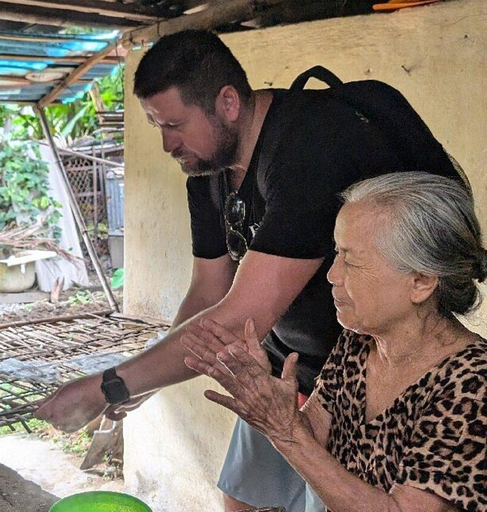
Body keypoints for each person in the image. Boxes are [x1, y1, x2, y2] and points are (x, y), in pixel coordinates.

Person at [35, 30, 463, 511]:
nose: (166, 144)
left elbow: (241, 317)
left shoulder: (310, 148)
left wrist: (110, 384)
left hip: (357, 371)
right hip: (282, 366)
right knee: (240, 499)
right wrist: (145, 381)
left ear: (228, 103)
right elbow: (208, 293)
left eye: (174, 123)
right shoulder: (206, 165)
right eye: (156, 125)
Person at [184, 172, 487, 512]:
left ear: (421, 281)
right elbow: (313, 435)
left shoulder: (472, 383)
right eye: (337, 254)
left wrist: (286, 432)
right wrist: (268, 403)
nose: (333, 274)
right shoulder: (359, 343)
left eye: (352, 261)